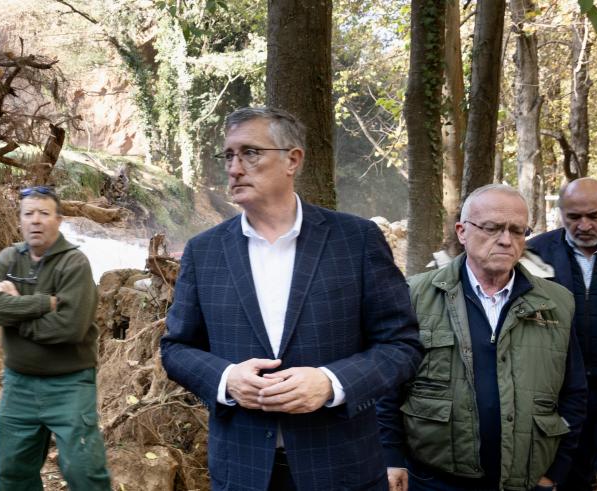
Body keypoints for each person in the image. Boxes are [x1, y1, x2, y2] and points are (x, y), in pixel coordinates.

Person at [160, 106, 423, 491]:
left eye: (250, 153)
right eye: (229, 155)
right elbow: (176, 348)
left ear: (292, 160)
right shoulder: (205, 251)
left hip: (342, 470)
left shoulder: (356, 240)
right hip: (243, 472)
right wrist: (227, 378)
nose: (234, 168)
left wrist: (331, 383)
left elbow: (402, 345)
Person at [379, 184, 588, 491]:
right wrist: (392, 456)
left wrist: (555, 471)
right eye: (492, 228)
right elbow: (387, 388)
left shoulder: (557, 303)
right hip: (434, 479)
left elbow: (574, 393)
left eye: (518, 231)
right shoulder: (413, 296)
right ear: (462, 231)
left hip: (526, 481)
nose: (506, 240)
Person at [0, 186, 111, 491]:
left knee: (84, 471)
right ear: (20, 220)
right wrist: (39, 304)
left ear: (59, 220)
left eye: (44, 213)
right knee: (12, 472)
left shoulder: (74, 263)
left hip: (69, 384)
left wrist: (13, 316)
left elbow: (69, 328)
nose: (36, 221)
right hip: (18, 385)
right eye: (29, 214)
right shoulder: (9, 258)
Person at [527, 177, 597, 490]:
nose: (585, 225)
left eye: (595, 216)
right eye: (574, 217)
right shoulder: (534, 254)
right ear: (561, 213)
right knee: (565, 473)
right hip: (560, 391)